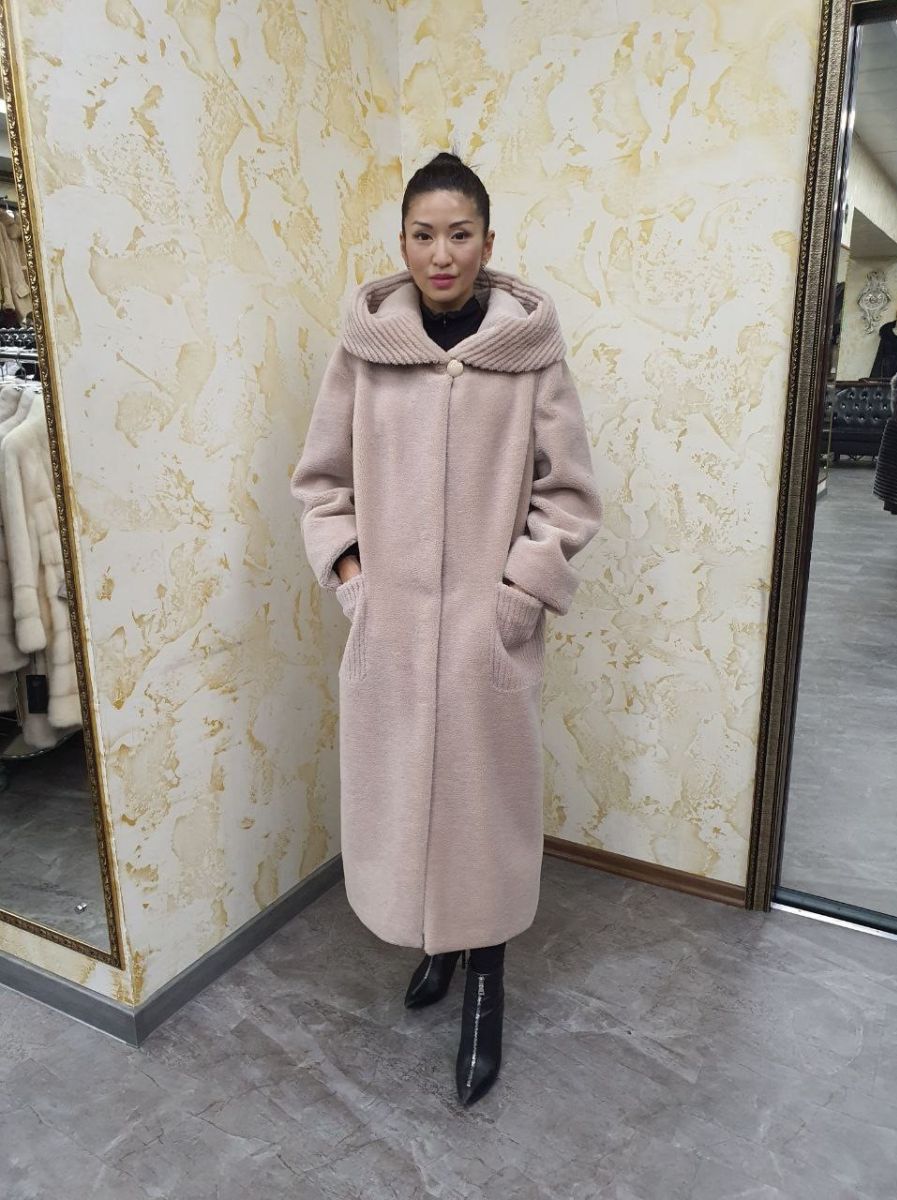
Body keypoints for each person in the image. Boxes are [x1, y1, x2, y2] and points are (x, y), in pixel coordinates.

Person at [291, 151, 602, 1106]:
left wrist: (515, 596)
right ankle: (434, 943)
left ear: (487, 242)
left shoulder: (529, 352)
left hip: (484, 637)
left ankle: (486, 983)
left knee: (485, 812)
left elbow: (569, 495)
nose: (441, 253)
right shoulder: (367, 350)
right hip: (390, 635)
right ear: (402, 243)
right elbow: (321, 483)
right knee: (402, 799)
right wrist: (356, 583)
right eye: (423, 234)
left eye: (459, 234)